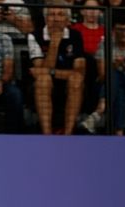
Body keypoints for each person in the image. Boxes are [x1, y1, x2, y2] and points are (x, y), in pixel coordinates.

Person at [82, 10, 125, 135]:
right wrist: (113, 65)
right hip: (107, 87)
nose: (124, 33)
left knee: (117, 77)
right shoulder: (105, 44)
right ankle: (119, 133)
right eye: (120, 29)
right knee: (118, 90)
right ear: (113, 31)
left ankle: (99, 111)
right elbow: (102, 76)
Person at [27, 0, 85, 135]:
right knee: (43, 80)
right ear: (46, 18)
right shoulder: (34, 36)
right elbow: (40, 71)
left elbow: (80, 71)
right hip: (44, 85)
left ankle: (68, 134)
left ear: (67, 19)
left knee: (76, 79)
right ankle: (47, 135)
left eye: (60, 15)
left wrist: (50, 71)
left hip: (69, 84)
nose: (56, 19)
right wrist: (54, 43)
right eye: (52, 14)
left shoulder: (75, 36)